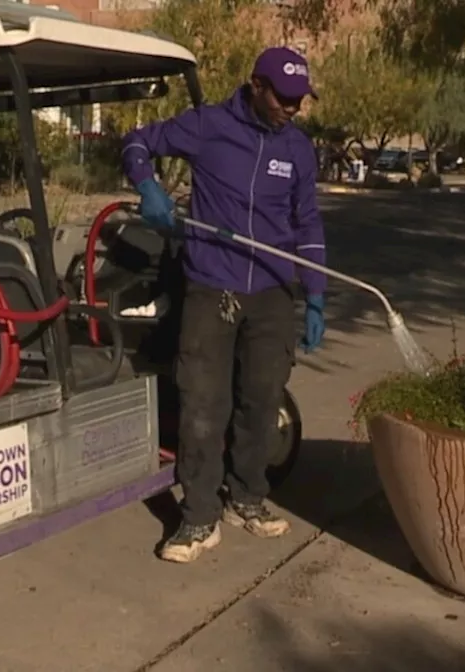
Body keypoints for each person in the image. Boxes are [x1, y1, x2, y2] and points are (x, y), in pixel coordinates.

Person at [120, 46, 328, 564]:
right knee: (202, 405)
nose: (293, 109)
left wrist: (316, 293)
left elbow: (309, 224)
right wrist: (147, 186)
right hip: (214, 284)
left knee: (262, 400)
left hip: (274, 291)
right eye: (285, 98)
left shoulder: (299, 149)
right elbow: (137, 142)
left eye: (301, 100)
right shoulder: (208, 126)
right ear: (256, 85)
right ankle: (198, 518)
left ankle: (248, 498)